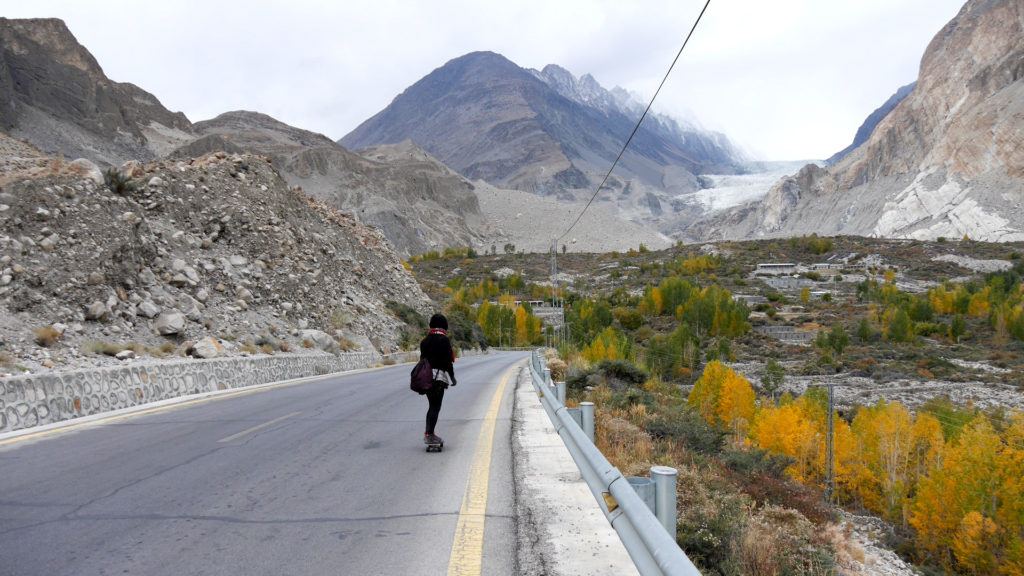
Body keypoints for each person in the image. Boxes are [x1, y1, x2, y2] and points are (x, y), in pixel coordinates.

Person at [420, 313, 456, 444]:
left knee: (431, 406)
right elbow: (448, 363)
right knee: (436, 406)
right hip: (438, 378)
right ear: (444, 326)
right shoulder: (444, 340)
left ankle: (429, 433)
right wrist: (452, 378)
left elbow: (422, 360)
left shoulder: (424, 341)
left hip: (426, 377)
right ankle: (430, 435)